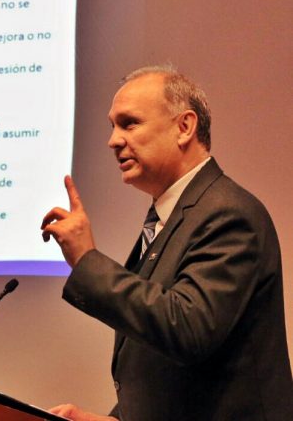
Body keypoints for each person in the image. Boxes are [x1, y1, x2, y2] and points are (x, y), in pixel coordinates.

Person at [40, 66, 293, 421]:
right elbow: (167, 366)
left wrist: (87, 259)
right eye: (112, 126)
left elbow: (187, 329)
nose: (113, 140)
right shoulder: (170, 218)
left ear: (184, 127)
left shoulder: (229, 214)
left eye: (129, 124)